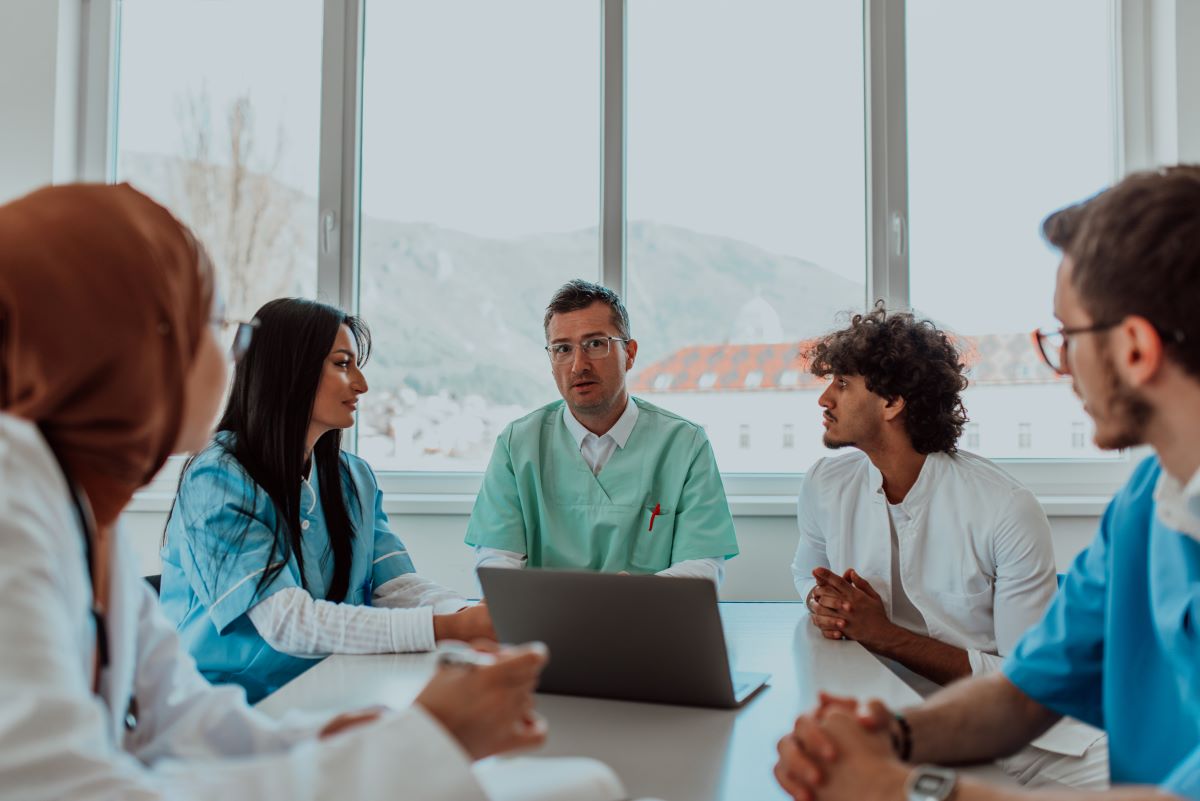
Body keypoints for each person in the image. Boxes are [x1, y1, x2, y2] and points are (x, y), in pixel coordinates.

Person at [0, 183, 547, 801]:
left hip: (307, 695)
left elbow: (184, 725)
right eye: (218, 326)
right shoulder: (12, 501)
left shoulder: (82, 518)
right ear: (140, 340)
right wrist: (417, 744)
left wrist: (332, 742)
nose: (234, 353)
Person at [773, 166, 1200, 801]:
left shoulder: (1004, 506)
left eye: (1065, 336)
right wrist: (886, 734)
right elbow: (1021, 692)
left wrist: (909, 787)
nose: (1061, 366)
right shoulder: (1142, 507)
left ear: (1135, 348)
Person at [790, 306, 1105, 788]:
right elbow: (805, 576)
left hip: (1037, 739)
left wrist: (882, 633)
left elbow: (1026, 682)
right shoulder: (825, 484)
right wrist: (824, 602)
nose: (824, 398)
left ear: (892, 402)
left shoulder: (1005, 507)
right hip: (903, 722)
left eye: (843, 383)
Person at [160, 298, 493, 702]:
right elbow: (286, 622)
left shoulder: (353, 477)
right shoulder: (216, 478)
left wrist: (468, 614)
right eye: (342, 364)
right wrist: (452, 629)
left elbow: (396, 586)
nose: (361, 384)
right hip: (225, 709)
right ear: (289, 370)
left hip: (327, 687)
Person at [466, 279, 739, 583]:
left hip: (649, 622)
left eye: (595, 344)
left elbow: (702, 567)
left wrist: (628, 598)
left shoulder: (685, 445)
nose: (577, 365)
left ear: (630, 353)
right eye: (562, 349)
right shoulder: (517, 445)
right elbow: (496, 563)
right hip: (546, 627)